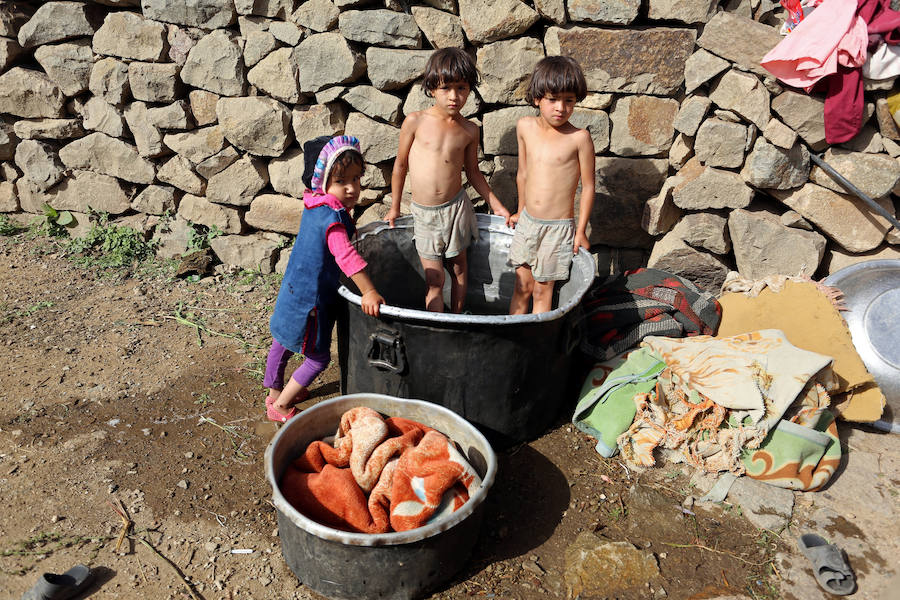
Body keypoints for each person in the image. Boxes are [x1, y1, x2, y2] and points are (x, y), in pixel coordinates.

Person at [264, 135, 384, 422]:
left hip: (293, 291)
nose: (352, 188)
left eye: (356, 179)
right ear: (322, 181)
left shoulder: (314, 204)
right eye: (343, 181)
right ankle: (280, 406)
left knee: (281, 339)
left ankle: (274, 390)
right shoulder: (332, 220)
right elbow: (346, 257)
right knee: (318, 358)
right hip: (312, 302)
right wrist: (368, 291)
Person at [387, 47, 510, 313]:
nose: (454, 96)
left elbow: (473, 173)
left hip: (455, 209)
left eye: (462, 88)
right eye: (446, 88)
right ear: (432, 88)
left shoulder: (469, 130)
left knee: (458, 268)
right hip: (425, 213)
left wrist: (498, 206)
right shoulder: (415, 121)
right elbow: (400, 165)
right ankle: (437, 327)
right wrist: (395, 206)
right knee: (434, 278)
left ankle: (457, 317)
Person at [508, 56, 595, 315]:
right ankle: (511, 340)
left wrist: (580, 231)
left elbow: (588, 186)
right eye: (553, 99)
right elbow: (523, 173)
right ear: (537, 99)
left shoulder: (579, 138)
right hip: (527, 223)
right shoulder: (525, 127)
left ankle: (537, 346)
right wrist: (520, 210)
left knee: (542, 290)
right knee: (522, 286)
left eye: (569, 100)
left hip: (557, 229)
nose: (561, 108)